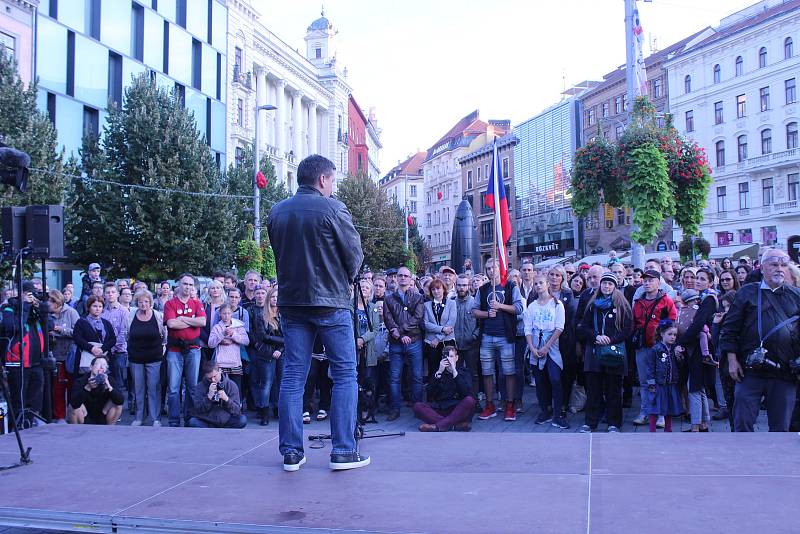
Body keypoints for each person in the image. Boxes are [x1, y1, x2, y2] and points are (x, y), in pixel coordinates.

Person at [267, 154, 368, 472]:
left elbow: (279, 254)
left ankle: (291, 452)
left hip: (292, 303)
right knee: (344, 374)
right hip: (330, 302)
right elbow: (354, 256)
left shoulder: (277, 212)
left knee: (293, 376)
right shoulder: (334, 208)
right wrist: (348, 279)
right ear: (323, 179)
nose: (333, 186)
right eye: (333, 180)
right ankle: (343, 450)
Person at [720, 248, 800, 432]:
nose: (779, 269)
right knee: (742, 425)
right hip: (750, 371)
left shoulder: (796, 295)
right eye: (773, 264)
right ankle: (743, 459)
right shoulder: (747, 292)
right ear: (762, 267)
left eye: (783, 265)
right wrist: (732, 361)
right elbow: (729, 329)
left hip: (784, 373)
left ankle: (775, 461)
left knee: (781, 429)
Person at [577, 273, 632, 433]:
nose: (607, 286)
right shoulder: (592, 304)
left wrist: (611, 339)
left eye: (610, 284)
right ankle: (591, 422)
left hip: (613, 353)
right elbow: (583, 325)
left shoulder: (621, 305)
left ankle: (614, 423)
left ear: (615, 286)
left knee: (613, 390)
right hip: (594, 352)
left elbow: (627, 329)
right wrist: (596, 336)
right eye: (604, 283)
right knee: (593, 389)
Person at [473, 258, 524, 422]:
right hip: (487, 336)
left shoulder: (510, 286)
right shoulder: (482, 289)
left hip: (505, 337)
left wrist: (500, 306)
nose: (490, 271)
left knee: (509, 372)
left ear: (500, 268)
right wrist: (487, 313)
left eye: (493, 267)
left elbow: (518, 308)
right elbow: (474, 310)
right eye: (487, 268)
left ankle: (510, 405)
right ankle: (489, 405)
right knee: (487, 373)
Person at [632, 270, 678, 426]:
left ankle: (661, 415)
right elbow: (633, 323)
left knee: (661, 382)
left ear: (659, 283)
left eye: (651, 280)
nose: (647, 283)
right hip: (642, 347)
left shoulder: (666, 301)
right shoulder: (638, 302)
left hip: (660, 348)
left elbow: (672, 322)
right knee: (645, 382)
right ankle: (645, 412)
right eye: (645, 280)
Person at [676, 269, 718, 432]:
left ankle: (695, 426)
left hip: (700, 349)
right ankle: (703, 423)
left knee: (694, 387)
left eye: (702, 279)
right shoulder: (703, 298)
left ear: (710, 282)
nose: (697, 281)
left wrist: (682, 342)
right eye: (696, 278)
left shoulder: (708, 299)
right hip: (699, 347)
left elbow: (698, 324)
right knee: (698, 387)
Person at [2, 282, 47, 428]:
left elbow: (50, 326)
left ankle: (30, 421)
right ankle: (18, 425)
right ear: (20, 294)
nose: (31, 296)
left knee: (35, 397)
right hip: (19, 362)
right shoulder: (9, 308)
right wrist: (25, 306)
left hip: (37, 362)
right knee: (19, 398)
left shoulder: (34, 309)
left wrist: (41, 309)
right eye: (28, 293)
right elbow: (13, 327)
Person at [524, 274, 567, 429]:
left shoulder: (557, 304)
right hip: (536, 344)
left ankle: (558, 413)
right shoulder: (532, 306)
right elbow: (527, 328)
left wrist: (547, 346)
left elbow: (559, 327)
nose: (538, 286)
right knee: (540, 380)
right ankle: (545, 410)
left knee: (555, 378)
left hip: (551, 345)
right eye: (536, 284)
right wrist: (532, 347)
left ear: (547, 284)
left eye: (541, 283)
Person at [163, 273, 207, 427]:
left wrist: (182, 319)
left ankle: (189, 418)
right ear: (179, 285)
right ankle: (174, 420)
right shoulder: (170, 304)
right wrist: (192, 321)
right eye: (185, 284)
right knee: (174, 388)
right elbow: (172, 324)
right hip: (174, 350)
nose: (188, 287)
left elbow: (202, 321)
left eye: (190, 285)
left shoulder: (197, 303)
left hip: (193, 350)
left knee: (192, 386)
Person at [383, 265, 425, 421]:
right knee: (394, 377)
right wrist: (399, 335)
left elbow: (418, 318)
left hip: (414, 340)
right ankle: (394, 409)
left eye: (405, 276)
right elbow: (388, 319)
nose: (402, 278)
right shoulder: (389, 298)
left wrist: (401, 331)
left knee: (417, 376)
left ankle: (419, 408)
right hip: (396, 343)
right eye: (400, 275)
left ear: (410, 279)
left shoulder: (418, 297)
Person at [413, 346, 475, 432]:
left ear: (456, 358)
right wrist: (439, 373)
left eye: (451, 356)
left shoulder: (464, 372)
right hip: (440, 408)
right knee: (417, 406)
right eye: (445, 357)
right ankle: (452, 426)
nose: (449, 359)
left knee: (470, 401)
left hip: (457, 409)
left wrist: (454, 372)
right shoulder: (438, 372)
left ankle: (437, 426)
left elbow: (466, 393)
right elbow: (429, 392)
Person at [127, 290, 166, 426]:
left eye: (146, 301)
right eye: (140, 302)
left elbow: (164, 336)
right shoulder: (131, 315)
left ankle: (155, 418)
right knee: (138, 388)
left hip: (154, 357)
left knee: (153, 388)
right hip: (135, 357)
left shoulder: (158, 316)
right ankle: (139, 417)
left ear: (151, 302)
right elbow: (127, 334)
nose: (143, 304)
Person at [250, 286, 283, 426]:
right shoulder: (261, 316)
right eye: (273, 297)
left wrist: (281, 348)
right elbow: (263, 336)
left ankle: (279, 410)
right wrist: (283, 341)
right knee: (267, 384)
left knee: (280, 384)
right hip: (265, 353)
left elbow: (288, 335)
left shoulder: (284, 316)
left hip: (282, 353)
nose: (275, 299)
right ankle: (264, 413)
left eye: (277, 297)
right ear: (269, 299)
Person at [643, 321, 682, 432]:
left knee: (668, 407)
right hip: (658, 384)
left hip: (670, 384)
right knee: (655, 407)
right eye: (670, 334)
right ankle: (652, 430)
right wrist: (651, 383)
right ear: (662, 334)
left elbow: (679, 366)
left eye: (675, 335)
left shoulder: (674, 349)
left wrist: (679, 357)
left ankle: (668, 430)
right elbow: (650, 368)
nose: (673, 337)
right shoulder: (655, 349)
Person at [48, 289, 80, 424]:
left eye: (50, 301)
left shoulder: (71, 312)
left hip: (70, 356)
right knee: (57, 389)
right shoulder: (47, 315)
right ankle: (59, 416)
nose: (47, 304)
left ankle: (73, 415)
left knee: (72, 387)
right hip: (55, 356)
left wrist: (61, 330)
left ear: (56, 302)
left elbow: (78, 332)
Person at [188, 360, 247, 428]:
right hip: (207, 420)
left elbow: (237, 411)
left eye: (215, 376)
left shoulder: (231, 385)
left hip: (226, 419)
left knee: (242, 420)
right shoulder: (200, 386)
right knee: (193, 422)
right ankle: (220, 431)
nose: (213, 380)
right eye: (209, 378)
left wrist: (226, 399)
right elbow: (197, 409)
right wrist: (208, 398)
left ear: (220, 371)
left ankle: (213, 431)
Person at [69, 356, 124, 425]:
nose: (101, 367)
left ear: (106, 369)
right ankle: (77, 432)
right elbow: (73, 404)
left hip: (103, 415)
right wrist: (87, 387)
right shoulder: (81, 381)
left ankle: (109, 430)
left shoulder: (110, 380)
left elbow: (121, 401)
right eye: (98, 364)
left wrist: (109, 388)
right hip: (85, 416)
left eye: (104, 365)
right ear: (91, 367)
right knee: (74, 407)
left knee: (117, 404)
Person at [208, 303, 249, 393]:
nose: (226, 316)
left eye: (228, 313)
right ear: (220, 314)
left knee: (236, 389)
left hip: (235, 362)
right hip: (221, 363)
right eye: (224, 313)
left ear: (232, 313)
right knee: (222, 389)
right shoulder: (217, 327)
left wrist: (233, 335)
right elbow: (211, 344)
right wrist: (222, 335)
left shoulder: (238, 326)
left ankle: (237, 406)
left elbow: (246, 341)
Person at [102, 283, 129, 410]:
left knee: (118, 381)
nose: (110, 294)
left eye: (113, 292)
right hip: (103, 352)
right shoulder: (102, 311)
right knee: (104, 379)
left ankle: (117, 408)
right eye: (108, 292)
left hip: (119, 351)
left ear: (118, 294)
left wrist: (112, 347)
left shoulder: (124, 311)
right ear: (104, 295)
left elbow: (123, 332)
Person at [73, 295, 117, 375]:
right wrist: (91, 348)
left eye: (100, 306)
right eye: (95, 306)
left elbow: (113, 339)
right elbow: (77, 338)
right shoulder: (81, 322)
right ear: (89, 307)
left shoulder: (106, 323)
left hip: (104, 357)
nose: (97, 309)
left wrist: (102, 349)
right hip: (86, 357)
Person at [423, 279, 456, 379]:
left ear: (443, 289)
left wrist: (438, 338)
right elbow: (426, 323)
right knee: (433, 369)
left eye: (438, 288)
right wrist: (442, 329)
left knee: (449, 368)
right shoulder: (426, 305)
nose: (436, 291)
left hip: (447, 341)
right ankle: (433, 393)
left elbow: (451, 323)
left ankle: (449, 393)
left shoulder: (451, 303)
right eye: (433, 289)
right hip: (431, 343)